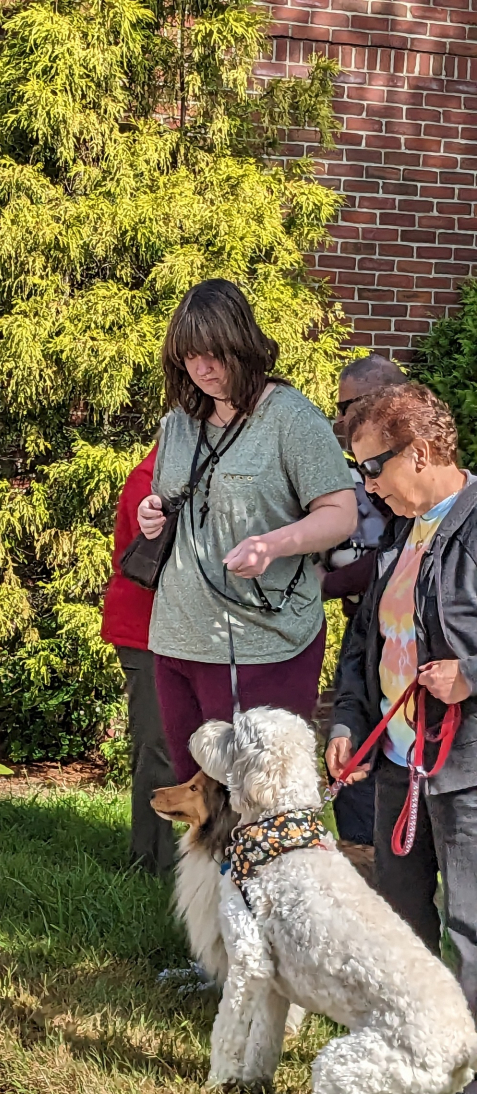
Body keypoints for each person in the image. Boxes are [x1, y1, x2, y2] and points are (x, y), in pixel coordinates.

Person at [138, 279, 356, 783]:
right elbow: (174, 500)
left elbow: (340, 512)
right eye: (190, 356)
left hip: (263, 642)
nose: (202, 369)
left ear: (243, 344)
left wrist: (272, 543)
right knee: (200, 803)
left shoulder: (291, 419)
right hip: (177, 637)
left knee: (259, 798)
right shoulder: (178, 421)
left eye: (214, 354)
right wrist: (155, 514)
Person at [327, 381, 477, 1094]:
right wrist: (348, 721)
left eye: (372, 467)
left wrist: (472, 675)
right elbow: (364, 644)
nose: (366, 486)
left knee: (472, 930)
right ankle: (414, 1063)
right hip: (396, 766)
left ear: (419, 452)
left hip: (467, 772)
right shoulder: (398, 531)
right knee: (402, 927)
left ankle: (470, 1090)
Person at [317, 354, 407, 864]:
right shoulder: (345, 478)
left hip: (424, 660)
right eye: (340, 408)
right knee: (351, 759)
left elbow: (392, 558)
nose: (342, 419)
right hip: (366, 636)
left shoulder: (423, 480)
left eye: (350, 406)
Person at [101, 444, 175, 876]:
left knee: (164, 746)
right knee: (158, 745)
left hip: (169, 634)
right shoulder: (147, 483)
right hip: (146, 634)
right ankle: (150, 863)